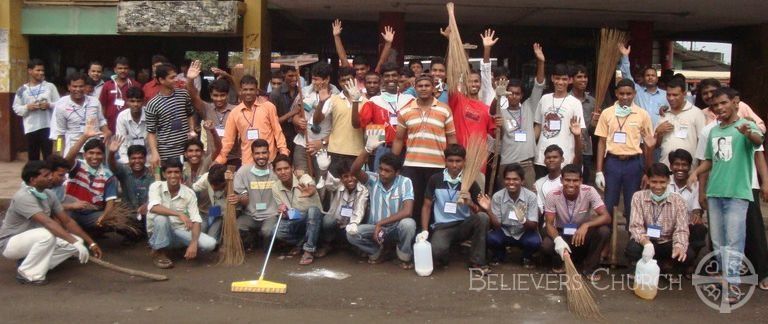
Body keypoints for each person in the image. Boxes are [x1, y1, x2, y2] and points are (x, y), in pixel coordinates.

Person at [688, 88, 764, 301]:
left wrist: (749, 134)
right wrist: (696, 172)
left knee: (734, 240)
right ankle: (725, 279)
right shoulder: (714, 131)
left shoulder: (746, 125)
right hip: (715, 192)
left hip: (737, 193)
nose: (719, 108)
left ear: (735, 102)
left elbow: (758, 142)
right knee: (719, 241)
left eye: (723, 103)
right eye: (715, 106)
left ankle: (732, 285)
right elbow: (710, 160)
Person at [0, 161, 103, 285]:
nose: (50, 178)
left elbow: (68, 221)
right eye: (46, 175)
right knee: (48, 235)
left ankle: (32, 264)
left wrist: (91, 243)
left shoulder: (49, 194)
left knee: (75, 242)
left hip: (34, 239)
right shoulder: (23, 197)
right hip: (9, 243)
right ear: (33, 180)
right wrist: (73, 241)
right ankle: (27, 273)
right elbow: (48, 223)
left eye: (50, 174)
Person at [392, 75, 457, 220]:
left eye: (427, 85)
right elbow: (398, 140)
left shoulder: (445, 110)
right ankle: (414, 233)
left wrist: (453, 162)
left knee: (435, 202)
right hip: (411, 165)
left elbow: (452, 138)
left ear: (433, 88)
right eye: (420, 86)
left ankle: (431, 234)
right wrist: (394, 164)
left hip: (438, 164)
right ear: (415, 88)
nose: (423, 88)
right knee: (414, 202)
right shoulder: (405, 111)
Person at [417, 144, 488, 273]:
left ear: (464, 161)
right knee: (436, 253)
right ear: (445, 161)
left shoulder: (470, 180)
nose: (454, 165)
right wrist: (424, 230)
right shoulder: (435, 179)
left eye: (458, 161)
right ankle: (445, 255)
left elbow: (482, 211)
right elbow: (426, 206)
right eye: (451, 161)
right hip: (443, 227)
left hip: (464, 225)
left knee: (482, 218)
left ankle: (476, 262)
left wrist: (470, 203)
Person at [594, 79, 655, 229]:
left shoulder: (642, 114)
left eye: (629, 93)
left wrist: (648, 172)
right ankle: (607, 243)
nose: (625, 97)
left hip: (634, 163)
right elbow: (601, 142)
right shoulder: (607, 113)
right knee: (609, 203)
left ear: (634, 93)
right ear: (616, 94)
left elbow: (648, 145)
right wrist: (599, 171)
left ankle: (633, 242)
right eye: (622, 93)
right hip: (612, 162)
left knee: (632, 205)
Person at [346, 140, 416, 269]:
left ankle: (404, 256)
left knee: (409, 224)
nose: (382, 173)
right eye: (381, 169)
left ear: (397, 172)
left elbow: (408, 211)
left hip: (396, 228)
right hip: (376, 230)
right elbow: (354, 170)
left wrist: (381, 223)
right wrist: (367, 150)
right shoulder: (373, 179)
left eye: (387, 171)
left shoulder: (405, 182)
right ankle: (377, 252)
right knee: (351, 233)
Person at [489, 43, 546, 191]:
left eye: (517, 93)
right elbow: (491, 111)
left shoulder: (529, 107)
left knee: (530, 197)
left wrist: (541, 62)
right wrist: (497, 96)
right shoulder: (501, 110)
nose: (514, 96)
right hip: (507, 163)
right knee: (505, 199)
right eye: (510, 93)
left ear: (522, 95)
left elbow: (539, 85)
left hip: (526, 163)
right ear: (506, 93)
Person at [541, 164, 611, 280]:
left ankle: (590, 268)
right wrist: (558, 240)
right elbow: (549, 223)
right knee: (547, 244)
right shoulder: (552, 195)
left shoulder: (589, 191)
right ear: (561, 180)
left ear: (581, 181)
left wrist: (586, 225)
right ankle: (559, 264)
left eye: (575, 180)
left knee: (604, 231)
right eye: (567, 180)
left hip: (581, 235)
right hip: (562, 232)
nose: (571, 184)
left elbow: (606, 217)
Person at [147, 158, 216, 269]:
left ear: (181, 174)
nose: (173, 175)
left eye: (176, 172)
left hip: (179, 231)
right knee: (161, 218)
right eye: (169, 172)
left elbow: (196, 220)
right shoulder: (156, 186)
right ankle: (159, 252)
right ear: (164, 174)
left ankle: (178, 248)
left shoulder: (189, 193)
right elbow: (153, 207)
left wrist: (193, 243)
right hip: (157, 231)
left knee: (210, 244)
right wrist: (179, 214)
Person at [626, 163, 692, 276]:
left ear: (668, 180)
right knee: (632, 248)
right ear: (647, 180)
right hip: (647, 241)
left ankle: (667, 266)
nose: (658, 186)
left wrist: (679, 246)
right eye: (654, 182)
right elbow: (636, 227)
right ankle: (637, 267)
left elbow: (681, 229)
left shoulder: (679, 200)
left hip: (667, 242)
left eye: (662, 182)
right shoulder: (638, 197)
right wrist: (646, 243)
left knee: (688, 253)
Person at [216, 75, 289, 166]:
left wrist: (283, 152)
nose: (248, 92)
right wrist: (219, 159)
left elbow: (277, 131)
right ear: (240, 91)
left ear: (257, 91)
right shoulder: (235, 112)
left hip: (269, 160)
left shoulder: (268, 107)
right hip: (247, 161)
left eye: (251, 89)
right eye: (245, 89)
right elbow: (228, 140)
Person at [355, 62, 416, 170]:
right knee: (381, 182)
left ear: (399, 77)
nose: (391, 78)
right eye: (387, 76)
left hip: (407, 148)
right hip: (383, 149)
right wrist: (378, 142)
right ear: (382, 78)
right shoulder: (374, 101)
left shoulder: (409, 100)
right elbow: (363, 124)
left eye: (394, 75)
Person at [479, 163, 540, 268]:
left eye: (515, 179)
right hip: (505, 232)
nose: (511, 182)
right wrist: (488, 210)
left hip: (523, 232)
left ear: (522, 181)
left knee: (534, 241)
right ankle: (499, 255)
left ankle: (526, 257)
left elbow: (534, 225)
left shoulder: (531, 197)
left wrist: (523, 220)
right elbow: (497, 226)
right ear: (504, 181)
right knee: (491, 238)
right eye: (508, 179)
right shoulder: (498, 196)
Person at [184, 61, 241, 167]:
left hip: (233, 159)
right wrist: (190, 79)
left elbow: (241, 94)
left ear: (227, 95)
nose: (219, 99)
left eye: (222, 95)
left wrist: (228, 77)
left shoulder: (236, 110)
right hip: (212, 158)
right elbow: (193, 95)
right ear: (210, 95)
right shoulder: (206, 108)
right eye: (215, 95)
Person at [534, 64, 586, 177]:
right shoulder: (544, 99)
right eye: (557, 78)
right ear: (552, 78)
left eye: (564, 79)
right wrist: (530, 146)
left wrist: (576, 157)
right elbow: (538, 126)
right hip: (542, 157)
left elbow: (579, 133)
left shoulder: (575, 103)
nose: (560, 82)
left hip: (565, 158)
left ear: (570, 80)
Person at [271, 154, 323, 265]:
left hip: (315, 217)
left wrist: (311, 191)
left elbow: (312, 187)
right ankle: (303, 242)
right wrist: (283, 213)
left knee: (312, 211)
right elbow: (289, 215)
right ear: (275, 172)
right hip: (298, 216)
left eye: (286, 168)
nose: (283, 172)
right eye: (279, 169)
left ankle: (308, 250)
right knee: (277, 231)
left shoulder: (303, 178)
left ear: (292, 168)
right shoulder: (275, 187)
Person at [63, 127, 118, 231]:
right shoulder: (78, 165)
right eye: (91, 153)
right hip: (71, 209)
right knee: (63, 218)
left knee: (112, 220)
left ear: (103, 155)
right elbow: (67, 160)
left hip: (92, 214)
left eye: (98, 153)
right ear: (84, 155)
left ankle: (93, 232)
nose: (94, 157)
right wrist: (84, 137)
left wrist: (104, 217)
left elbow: (110, 202)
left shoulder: (108, 175)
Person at [311, 67, 366, 169]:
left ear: (355, 79)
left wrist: (356, 100)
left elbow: (357, 125)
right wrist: (321, 102)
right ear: (339, 82)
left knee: (355, 184)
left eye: (348, 79)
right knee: (334, 184)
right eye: (342, 80)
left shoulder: (365, 101)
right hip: (335, 150)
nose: (345, 83)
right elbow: (316, 121)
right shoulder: (333, 99)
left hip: (357, 151)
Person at [145, 63, 197, 168]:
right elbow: (151, 132)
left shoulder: (184, 94)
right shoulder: (152, 104)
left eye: (176, 76)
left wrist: (191, 130)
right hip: (166, 151)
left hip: (186, 149)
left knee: (186, 178)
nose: (176, 80)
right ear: (161, 80)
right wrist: (155, 153)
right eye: (172, 78)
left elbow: (190, 114)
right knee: (170, 179)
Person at [231, 139, 280, 251]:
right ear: (252, 154)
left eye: (264, 152)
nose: (261, 156)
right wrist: (240, 198)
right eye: (257, 153)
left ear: (269, 153)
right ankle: (251, 242)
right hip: (250, 215)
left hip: (271, 215)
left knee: (267, 232)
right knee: (237, 227)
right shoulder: (243, 171)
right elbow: (240, 195)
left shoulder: (276, 170)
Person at [316, 158, 369, 257]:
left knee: (357, 227)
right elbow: (330, 182)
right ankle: (328, 244)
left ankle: (353, 246)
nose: (350, 179)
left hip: (351, 226)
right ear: (341, 178)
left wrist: (353, 223)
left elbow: (360, 209)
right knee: (328, 220)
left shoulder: (362, 190)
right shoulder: (337, 185)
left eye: (353, 175)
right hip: (336, 225)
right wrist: (324, 171)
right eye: (346, 176)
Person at [292, 62, 337, 175]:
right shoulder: (304, 92)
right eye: (313, 79)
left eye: (317, 79)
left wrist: (322, 142)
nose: (314, 82)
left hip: (324, 147)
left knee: (322, 185)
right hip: (303, 143)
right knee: (301, 179)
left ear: (327, 79)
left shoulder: (336, 96)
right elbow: (295, 114)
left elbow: (339, 128)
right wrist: (297, 120)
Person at [666, 149, 707, 274]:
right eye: (676, 164)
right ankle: (668, 262)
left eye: (684, 165)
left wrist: (697, 214)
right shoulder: (665, 182)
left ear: (690, 167)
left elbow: (696, 209)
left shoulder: (695, 184)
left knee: (700, 228)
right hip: (666, 225)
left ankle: (690, 262)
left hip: (686, 226)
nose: (680, 168)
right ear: (671, 166)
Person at [51, 72, 110, 155]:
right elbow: (59, 134)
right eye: (74, 86)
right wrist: (58, 154)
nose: (78, 89)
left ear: (85, 86)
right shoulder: (61, 105)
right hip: (73, 151)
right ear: (69, 87)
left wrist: (106, 131)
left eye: (81, 86)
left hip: (94, 150)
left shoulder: (95, 102)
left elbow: (101, 121)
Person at [12, 58, 60, 161]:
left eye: (42, 70)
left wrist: (49, 105)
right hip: (30, 127)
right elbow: (16, 107)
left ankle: (49, 176)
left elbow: (59, 104)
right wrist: (27, 107)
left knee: (48, 156)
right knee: (33, 157)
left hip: (47, 126)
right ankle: (34, 177)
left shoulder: (49, 87)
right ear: (30, 71)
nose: (41, 73)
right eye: (38, 70)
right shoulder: (22, 90)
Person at [107, 137, 154, 237]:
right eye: (133, 158)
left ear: (145, 159)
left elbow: (156, 196)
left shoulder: (152, 174)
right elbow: (112, 165)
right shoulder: (124, 171)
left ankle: (144, 234)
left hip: (148, 213)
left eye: (140, 158)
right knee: (113, 222)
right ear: (129, 159)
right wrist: (111, 153)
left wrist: (147, 205)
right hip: (130, 213)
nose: (137, 161)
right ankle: (134, 235)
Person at [654, 78, 706, 167]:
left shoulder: (696, 113)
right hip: (666, 167)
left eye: (675, 95)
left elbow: (703, 143)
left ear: (684, 94)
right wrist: (659, 132)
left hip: (688, 168)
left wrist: (699, 171)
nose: (671, 98)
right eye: (668, 95)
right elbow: (656, 145)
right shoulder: (664, 114)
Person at [331, 19, 394, 90]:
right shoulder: (352, 79)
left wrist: (388, 43)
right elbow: (343, 58)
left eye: (362, 69)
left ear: (368, 68)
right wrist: (336, 37)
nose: (359, 72)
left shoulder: (373, 77)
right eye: (357, 69)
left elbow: (382, 61)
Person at [618, 43, 668, 127]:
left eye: (653, 75)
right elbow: (626, 75)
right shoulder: (637, 92)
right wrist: (625, 56)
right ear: (644, 78)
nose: (650, 77)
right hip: (639, 134)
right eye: (647, 75)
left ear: (657, 78)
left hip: (658, 134)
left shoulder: (666, 95)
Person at [569, 65, 597, 184]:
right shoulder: (566, 99)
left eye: (585, 77)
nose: (583, 79)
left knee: (584, 184)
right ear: (571, 79)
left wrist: (595, 123)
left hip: (585, 150)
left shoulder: (592, 101)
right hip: (568, 148)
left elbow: (592, 132)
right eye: (579, 77)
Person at [99, 56, 141, 133]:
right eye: (120, 68)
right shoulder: (107, 85)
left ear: (129, 70)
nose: (123, 70)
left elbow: (140, 104)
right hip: (111, 127)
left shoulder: (135, 85)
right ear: (115, 70)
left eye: (125, 68)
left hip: (131, 126)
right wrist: (104, 125)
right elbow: (103, 106)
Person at [268, 65, 303, 156]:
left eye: (296, 75)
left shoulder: (302, 92)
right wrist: (292, 113)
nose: (294, 78)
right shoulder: (275, 94)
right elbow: (273, 122)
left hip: (298, 137)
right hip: (281, 138)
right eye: (290, 76)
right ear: (283, 75)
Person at [191, 164, 230, 240]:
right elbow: (193, 190)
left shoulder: (232, 182)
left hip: (222, 217)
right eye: (211, 184)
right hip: (209, 212)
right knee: (200, 237)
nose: (212, 187)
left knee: (211, 240)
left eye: (216, 186)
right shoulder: (205, 178)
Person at [114, 87, 149, 164]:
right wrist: (126, 161)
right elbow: (121, 141)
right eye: (132, 101)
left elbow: (155, 138)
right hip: (129, 155)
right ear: (127, 102)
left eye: (138, 101)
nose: (135, 104)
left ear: (143, 102)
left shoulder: (150, 114)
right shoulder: (122, 116)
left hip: (148, 154)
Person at [182, 121, 221, 187]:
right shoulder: (182, 167)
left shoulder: (205, 163)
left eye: (197, 150)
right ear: (185, 154)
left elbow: (218, 148)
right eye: (190, 151)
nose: (194, 154)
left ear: (202, 153)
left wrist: (213, 131)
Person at [534, 145, 565, 213]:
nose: (551, 160)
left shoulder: (568, 180)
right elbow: (540, 211)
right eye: (548, 158)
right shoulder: (539, 183)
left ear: (562, 159)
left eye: (555, 157)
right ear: (544, 161)